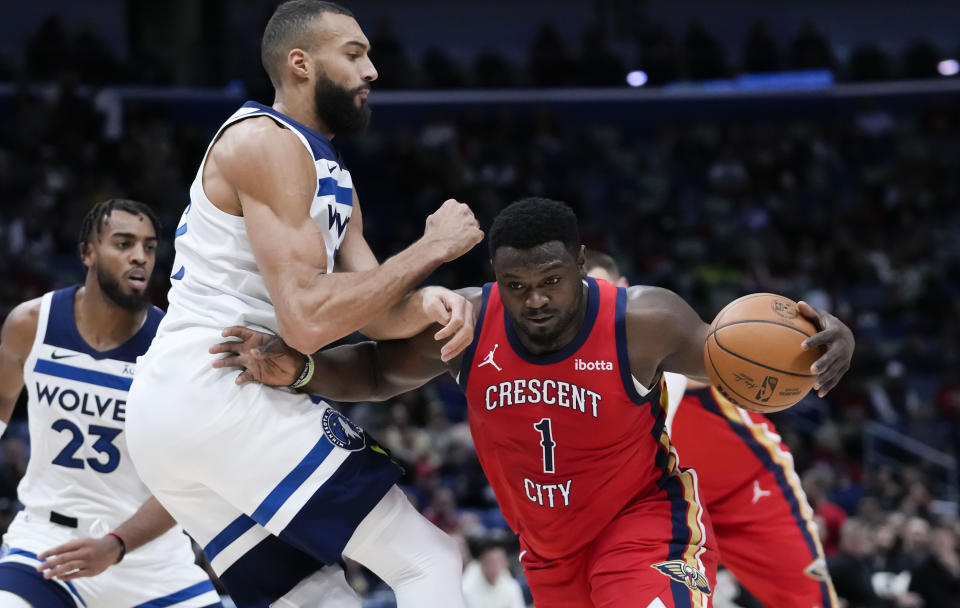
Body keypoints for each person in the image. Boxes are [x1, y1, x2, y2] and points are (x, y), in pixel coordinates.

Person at [212, 197, 855, 607]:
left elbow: (736, 360)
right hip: (548, 550)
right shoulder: (466, 322)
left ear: (580, 263)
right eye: (517, 286)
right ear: (496, 276)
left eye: (551, 280)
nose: (536, 300)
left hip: (643, 525)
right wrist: (302, 371)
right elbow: (380, 372)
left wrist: (827, 339)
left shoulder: (644, 321)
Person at [125, 0, 484, 608]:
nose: (372, 71)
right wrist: (430, 248)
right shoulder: (266, 141)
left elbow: (374, 312)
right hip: (222, 387)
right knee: (432, 560)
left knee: (314, 597)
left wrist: (428, 302)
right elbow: (308, 319)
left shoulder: (327, 168)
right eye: (354, 54)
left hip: (177, 412)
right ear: (300, 63)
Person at [585, 251, 841, 608]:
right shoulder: (566, 364)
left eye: (600, 289)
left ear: (625, 289)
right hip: (664, 502)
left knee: (808, 602)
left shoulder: (660, 336)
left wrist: (823, 335)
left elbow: (744, 352)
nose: (592, 303)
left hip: (748, 488)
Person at [0, 199, 221, 608]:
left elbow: (193, 483)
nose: (140, 256)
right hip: (47, 543)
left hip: (148, 555)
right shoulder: (32, 324)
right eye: (123, 244)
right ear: (87, 253)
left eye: (149, 247)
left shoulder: (173, 348)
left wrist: (115, 545)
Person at [461, 544, 525, 608]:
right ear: (482, 563)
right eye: (491, 562)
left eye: (499, 561)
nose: (495, 566)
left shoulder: (511, 586)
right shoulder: (467, 588)